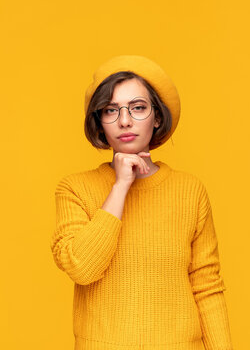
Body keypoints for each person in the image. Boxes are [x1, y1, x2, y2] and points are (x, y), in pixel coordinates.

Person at [50, 55, 234, 350]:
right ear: (99, 122)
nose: (125, 120)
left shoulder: (190, 190)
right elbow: (82, 268)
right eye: (111, 110)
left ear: (157, 117)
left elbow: (207, 287)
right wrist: (121, 185)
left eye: (138, 107)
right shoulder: (75, 188)